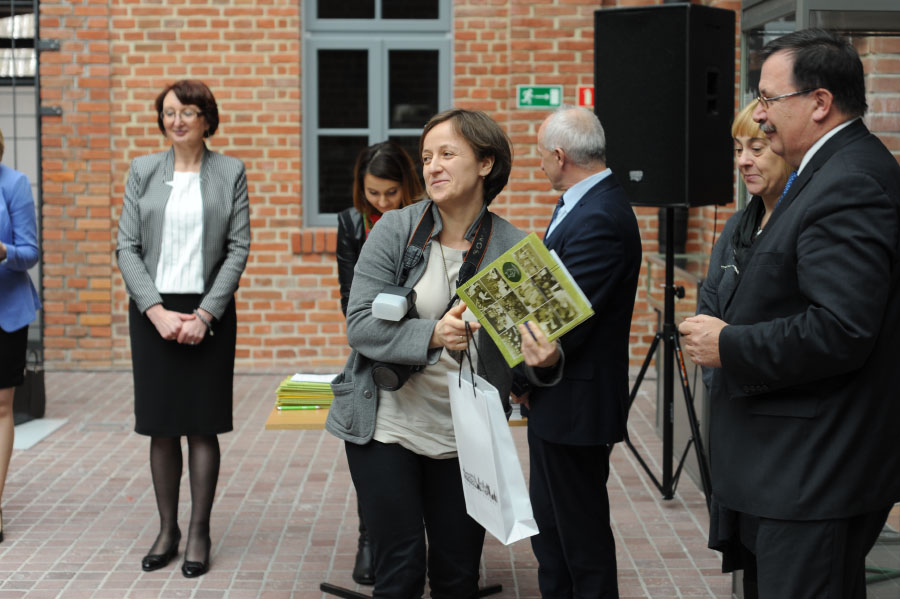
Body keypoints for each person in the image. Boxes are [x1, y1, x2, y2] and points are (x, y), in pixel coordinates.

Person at [679, 29, 900, 599]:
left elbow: (842, 328)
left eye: (768, 99)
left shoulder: (850, 181)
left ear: (820, 102)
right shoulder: (825, 173)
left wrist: (729, 346)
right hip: (787, 472)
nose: (760, 115)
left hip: (811, 476)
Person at [326, 108, 562, 598]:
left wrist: (546, 361)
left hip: (466, 436)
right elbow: (360, 324)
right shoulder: (395, 230)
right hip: (386, 424)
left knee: (457, 577)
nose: (432, 166)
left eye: (447, 154)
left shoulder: (516, 250)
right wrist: (432, 334)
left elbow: (534, 358)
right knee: (400, 570)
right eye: (427, 156)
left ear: (485, 163)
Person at [117, 80, 250, 578]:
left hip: (207, 312)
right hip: (153, 312)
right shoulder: (142, 170)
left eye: (187, 112)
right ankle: (166, 530)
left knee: (201, 424)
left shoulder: (230, 171)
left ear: (206, 120)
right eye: (169, 112)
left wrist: (207, 315)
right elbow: (126, 246)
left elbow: (238, 247)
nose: (176, 120)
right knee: (161, 424)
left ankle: (198, 532)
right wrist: (154, 310)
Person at [515, 105, 641, 598]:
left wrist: (520, 381)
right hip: (560, 399)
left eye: (541, 154)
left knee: (579, 539)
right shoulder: (583, 203)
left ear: (560, 155)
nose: (539, 163)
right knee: (552, 532)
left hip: (575, 403)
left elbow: (564, 324)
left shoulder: (600, 216)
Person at [335, 140, 423, 584]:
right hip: (372, 347)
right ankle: (369, 536)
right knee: (371, 441)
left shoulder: (423, 221)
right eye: (373, 193)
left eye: (391, 192)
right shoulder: (353, 222)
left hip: (423, 339)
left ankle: (416, 539)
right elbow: (349, 298)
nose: (383, 202)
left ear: (406, 185)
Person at [697, 98, 791, 391]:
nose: (743, 161)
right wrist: (717, 383)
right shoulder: (736, 227)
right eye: (738, 149)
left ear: (785, 149)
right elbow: (708, 306)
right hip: (729, 397)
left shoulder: (800, 226)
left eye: (757, 149)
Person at [0, 128, 42, 544]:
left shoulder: (13, 184)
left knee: (0, 406)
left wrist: (3, 251)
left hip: (5, 312)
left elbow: (29, 252)